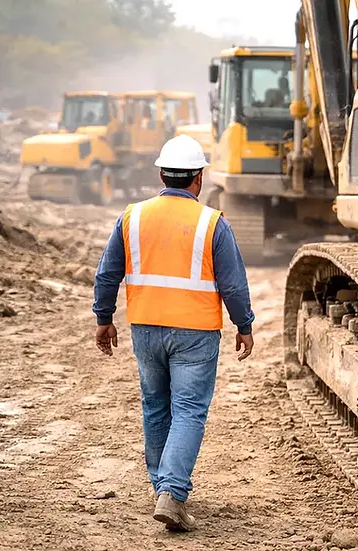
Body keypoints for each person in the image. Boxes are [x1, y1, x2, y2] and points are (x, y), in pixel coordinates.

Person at [92, 134, 255, 532]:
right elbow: (233, 284)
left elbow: (107, 272)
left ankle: (161, 486)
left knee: (155, 406)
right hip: (195, 333)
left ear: (162, 174)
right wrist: (244, 325)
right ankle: (172, 492)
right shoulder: (212, 222)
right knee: (189, 411)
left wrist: (104, 318)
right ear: (198, 178)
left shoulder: (132, 216)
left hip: (146, 328)